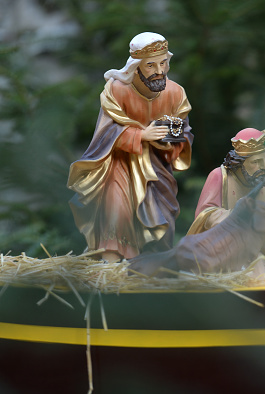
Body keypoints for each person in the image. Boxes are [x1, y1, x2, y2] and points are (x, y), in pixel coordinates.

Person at [67, 32, 193, 262]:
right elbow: (106, 133)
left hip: (156, 166)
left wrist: (168, 141)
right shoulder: (117, 90)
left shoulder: (175, 92)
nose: (160, 70)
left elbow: (183, 132)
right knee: (116, 207)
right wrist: (141, 135)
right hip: (120, 162)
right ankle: (112, 261)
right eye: (151, 65)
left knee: (162, 215)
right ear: (136, 67)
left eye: (164, 62)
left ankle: (152, 263)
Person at [188, 128, 265, 274]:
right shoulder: (219, 176)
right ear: (240, 162)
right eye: (256, 162)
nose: (264, 167)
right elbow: (205, 214)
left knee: (264, 279)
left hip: (256, 253)